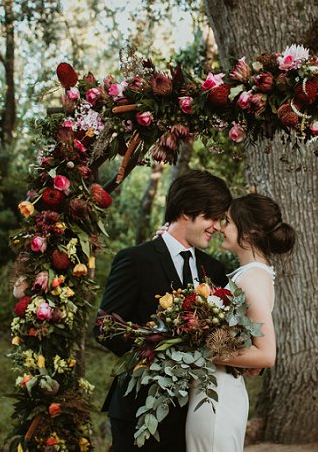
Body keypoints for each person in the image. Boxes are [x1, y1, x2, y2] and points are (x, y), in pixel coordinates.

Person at [94, 169, 232, 451]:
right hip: (140, 408)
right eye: (211, 217)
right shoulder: (135, 260)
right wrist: (162, 354)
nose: (216, 227)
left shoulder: (215, 270)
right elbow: (104, 328)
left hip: (196, 413)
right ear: (185, 210)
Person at [185, 193, 296, 451]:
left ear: (249, 232)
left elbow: (266, 355)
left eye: (228, 222)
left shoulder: (250, 279)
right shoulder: (254, 273)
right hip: (216, 391)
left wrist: (201, 349)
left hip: (218, 399)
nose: (221, 228)